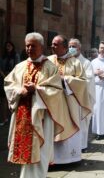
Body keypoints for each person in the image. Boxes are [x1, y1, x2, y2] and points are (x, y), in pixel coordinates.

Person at [4, 32, 73, 178]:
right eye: (27, 46)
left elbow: (56, 90)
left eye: (33, 46)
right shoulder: (20, 66)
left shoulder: (50, 67)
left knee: (40, 151)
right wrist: (19, 90)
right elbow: (9, 85)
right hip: (23, 115)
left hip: (41, 117)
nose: (29, 49)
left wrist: (37, 89)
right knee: (25, 153)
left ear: (41, 47)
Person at [48, 35, 92, 164]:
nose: (52, 47)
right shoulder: (48, 61)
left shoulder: (75, 62)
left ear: (64, 46)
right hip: (52, 103)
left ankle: (69, 158)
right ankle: (53, 159)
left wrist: (65, 80)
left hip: (69, 104)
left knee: (69, 129)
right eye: (52, 44)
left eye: (55, 44)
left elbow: (83, 82)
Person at [68, 38, 95, 151]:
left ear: (79, 48)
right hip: (69, 98)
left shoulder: (86, 63)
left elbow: (88, 79)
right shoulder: (67, 61)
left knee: (82, 122)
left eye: (73, 46)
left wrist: (73, 81)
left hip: (81, 99)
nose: (71, 48)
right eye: (69, 46)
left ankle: (82, 145)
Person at [1, 41, 20, 125]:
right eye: (7, 46)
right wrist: (4, 76)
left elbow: (18, 67)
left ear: (12, 46)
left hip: (13, 79)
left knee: (12, 99)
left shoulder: (16, 56)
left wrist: (11, 77)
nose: (8, 47)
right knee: (3, 99)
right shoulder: (3, 56)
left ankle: (12, 118)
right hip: (3, 78)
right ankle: (4, 119)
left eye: (9, 46)